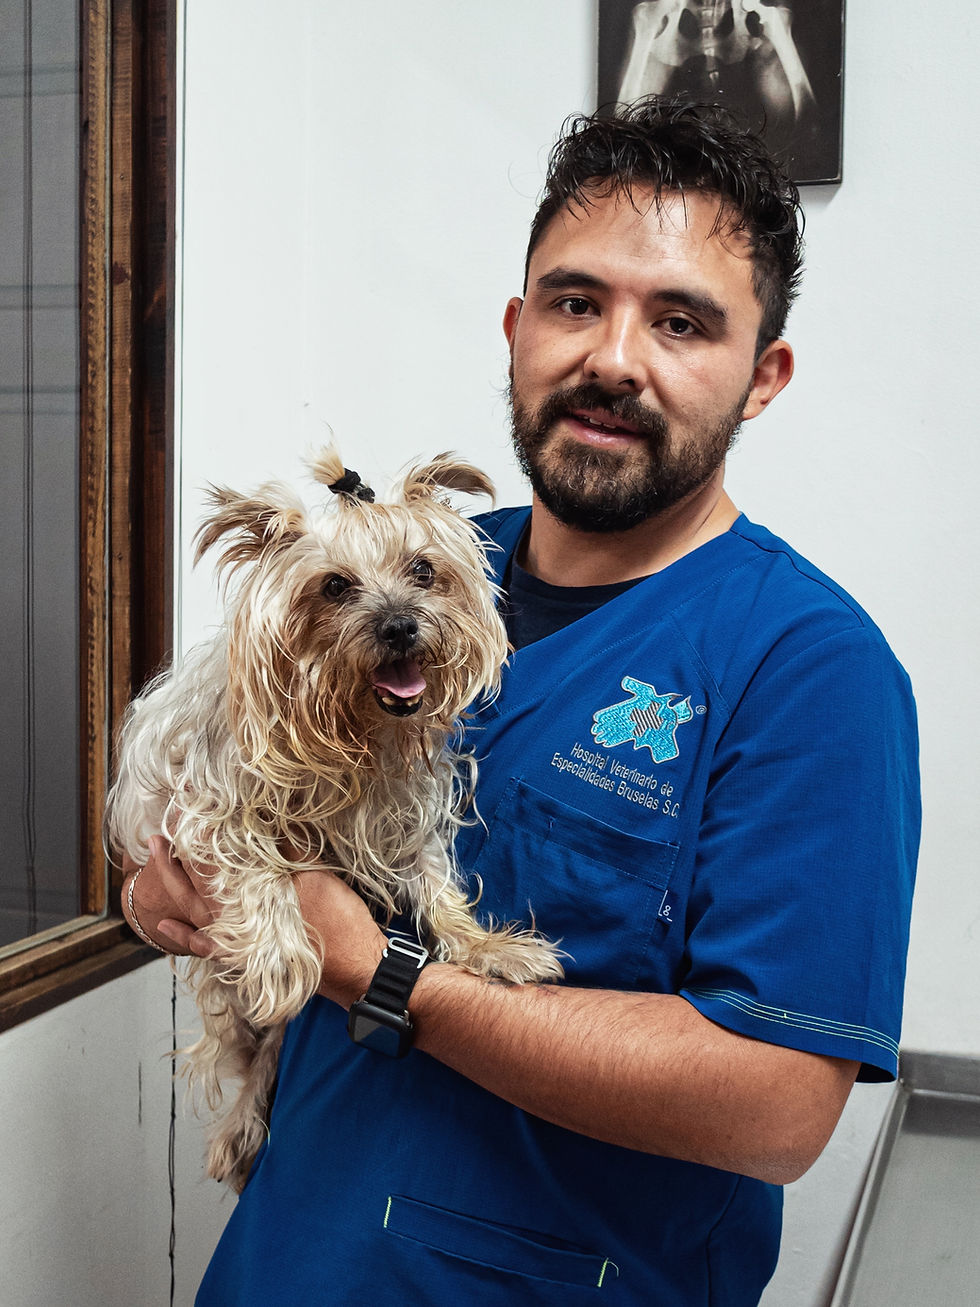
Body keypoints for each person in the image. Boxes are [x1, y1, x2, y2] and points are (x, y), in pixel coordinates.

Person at [124, 98, 919, 1306]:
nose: (611, 356)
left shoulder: (807, 666)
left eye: (681, 322)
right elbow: (218, 769)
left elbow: (773, 1107)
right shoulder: (413, 572)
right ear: (514, 329)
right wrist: (156, 887)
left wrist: (381, 973)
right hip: (281, 1265)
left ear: (762, 378)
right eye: (573, 301)